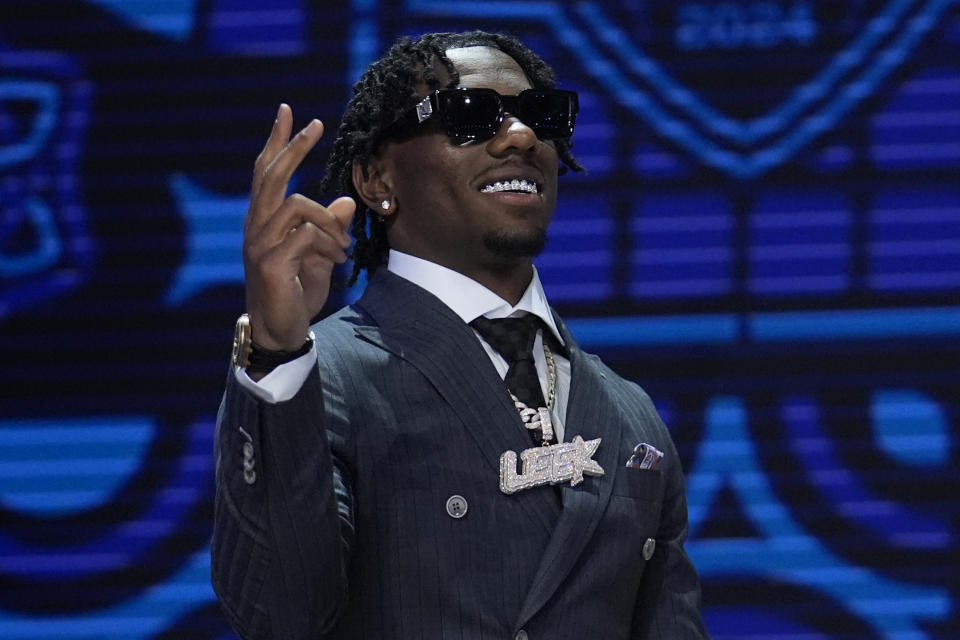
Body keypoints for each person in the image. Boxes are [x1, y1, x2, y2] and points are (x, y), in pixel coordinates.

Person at [212, 30, 709, 640]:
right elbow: (279, 616)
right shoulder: (317, 378)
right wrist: (278, 352)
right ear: (376, 180)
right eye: (472, 115)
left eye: (541, 117)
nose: (523, 137)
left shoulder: (631, 416)